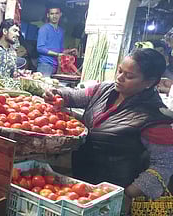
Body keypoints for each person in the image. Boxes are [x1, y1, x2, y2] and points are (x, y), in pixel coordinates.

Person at [44, 48, 173, 215]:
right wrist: (58, 93)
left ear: (150, 82)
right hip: (82, 183)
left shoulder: (156, 118)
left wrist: (127, 194)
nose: (119, 78)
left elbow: (164, 165)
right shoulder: (105, 90)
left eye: (129, 76)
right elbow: (76, 96)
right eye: (120, 71)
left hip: (112, 193)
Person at [36, 5, 76, 77]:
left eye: (57, 13)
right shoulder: (44, 29)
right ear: (48, 15)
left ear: (60, 14)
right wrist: (57, 54)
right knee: (44, 87)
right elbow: (40, 48)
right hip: (45, 65)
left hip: (57, 66)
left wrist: (69, 51)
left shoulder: (61, 31)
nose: (54, 16)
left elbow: (60, 50)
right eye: (52, 14)